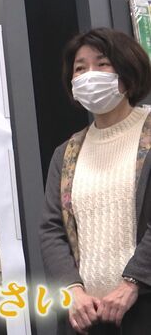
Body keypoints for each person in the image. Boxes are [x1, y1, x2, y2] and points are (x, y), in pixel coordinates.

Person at [40, 28, 151, 335]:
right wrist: (72, 290)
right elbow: (51, 229)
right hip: (86, 319)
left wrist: (133, 282)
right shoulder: (66, 153)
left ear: (127, 70)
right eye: (80, 68)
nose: (90, 75)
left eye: (102, 64)